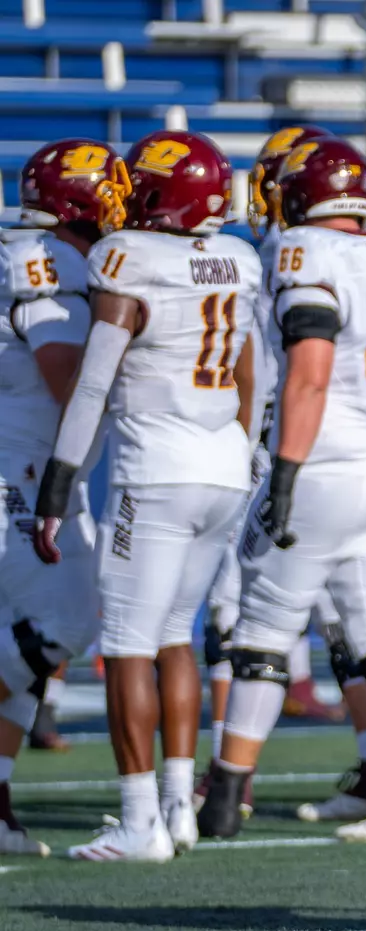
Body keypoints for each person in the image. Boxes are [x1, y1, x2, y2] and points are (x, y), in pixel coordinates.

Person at [195, 137, 366, 843]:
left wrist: (284, 472)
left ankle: (223, 802)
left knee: (260, 638)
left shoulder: (302, 251)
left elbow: (307, 371)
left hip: (325, 468)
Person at [34, 131, 260, 861]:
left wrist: (58, 487)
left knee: (129, 641)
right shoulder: (242, 258)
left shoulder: (125, 258)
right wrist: (247, 453)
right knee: (176, 637)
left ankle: (139, 823)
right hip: (224, 462)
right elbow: (254, 375)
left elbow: (95, 382)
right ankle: (178, 806)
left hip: (157, 467)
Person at [0, 138, 128, 856]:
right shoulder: (50, 262)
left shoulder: (34, 252)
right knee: (67, 625)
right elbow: (67, 375)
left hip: (32, 469)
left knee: (19, 637)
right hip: (22, 474)